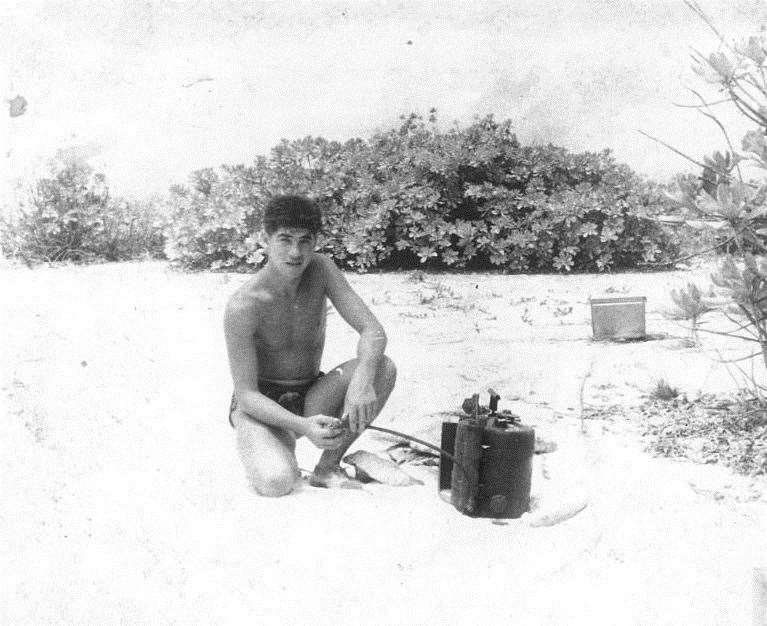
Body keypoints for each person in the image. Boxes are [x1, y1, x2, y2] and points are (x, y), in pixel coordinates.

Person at [224, 194, 397, 496]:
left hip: (311, 393)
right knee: (276, 482)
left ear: (316, 242)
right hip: (261, 405)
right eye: (285, 239)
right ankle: (274, 441)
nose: (296, 252)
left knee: (382, 366)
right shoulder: (243, 305)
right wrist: (302, 427)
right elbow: (247, 394)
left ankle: (327, 467)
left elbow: (372, 330)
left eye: (306, 240)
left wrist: (362, 381)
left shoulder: (321, 269)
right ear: (265, 239)